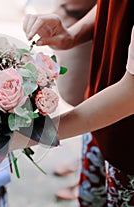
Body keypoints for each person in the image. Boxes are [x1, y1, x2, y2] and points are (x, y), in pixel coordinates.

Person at [0, 1, 134, 206]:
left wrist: (30, 134)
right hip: (100, 116)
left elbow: (129, 95)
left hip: (127, 142)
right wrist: (72, 35)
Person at [51, 0, 98, 202]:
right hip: (80, 16)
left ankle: (88, 171)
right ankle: (86, 163)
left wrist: (37, 133)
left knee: (93, 101)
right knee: (83, 96)